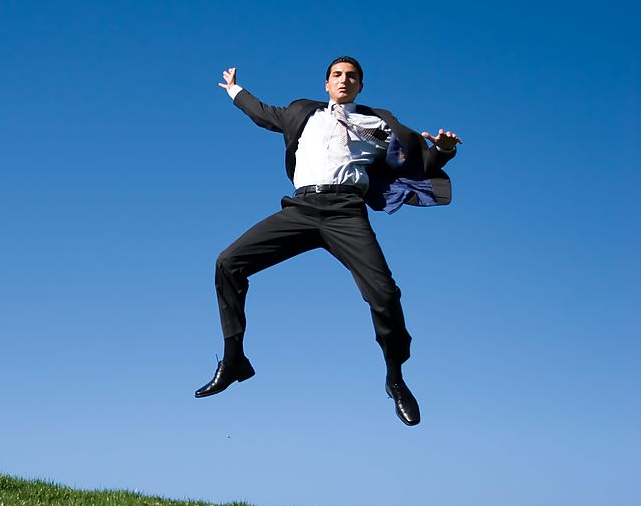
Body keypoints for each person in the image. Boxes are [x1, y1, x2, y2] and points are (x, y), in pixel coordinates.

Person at [195, 56, 462, 426]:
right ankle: (234, 358)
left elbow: (416, 162)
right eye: (337, 75)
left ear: (360, 86)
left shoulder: (378, 125)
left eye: (352, 77)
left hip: (346, 213)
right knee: (228, 262)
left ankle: (396, 377)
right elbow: (262, 113)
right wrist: (234, 91)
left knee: (384, 294)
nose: (344, 80)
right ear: (326, 83)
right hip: (301, 208)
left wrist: (445, 150)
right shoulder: (303, 114)